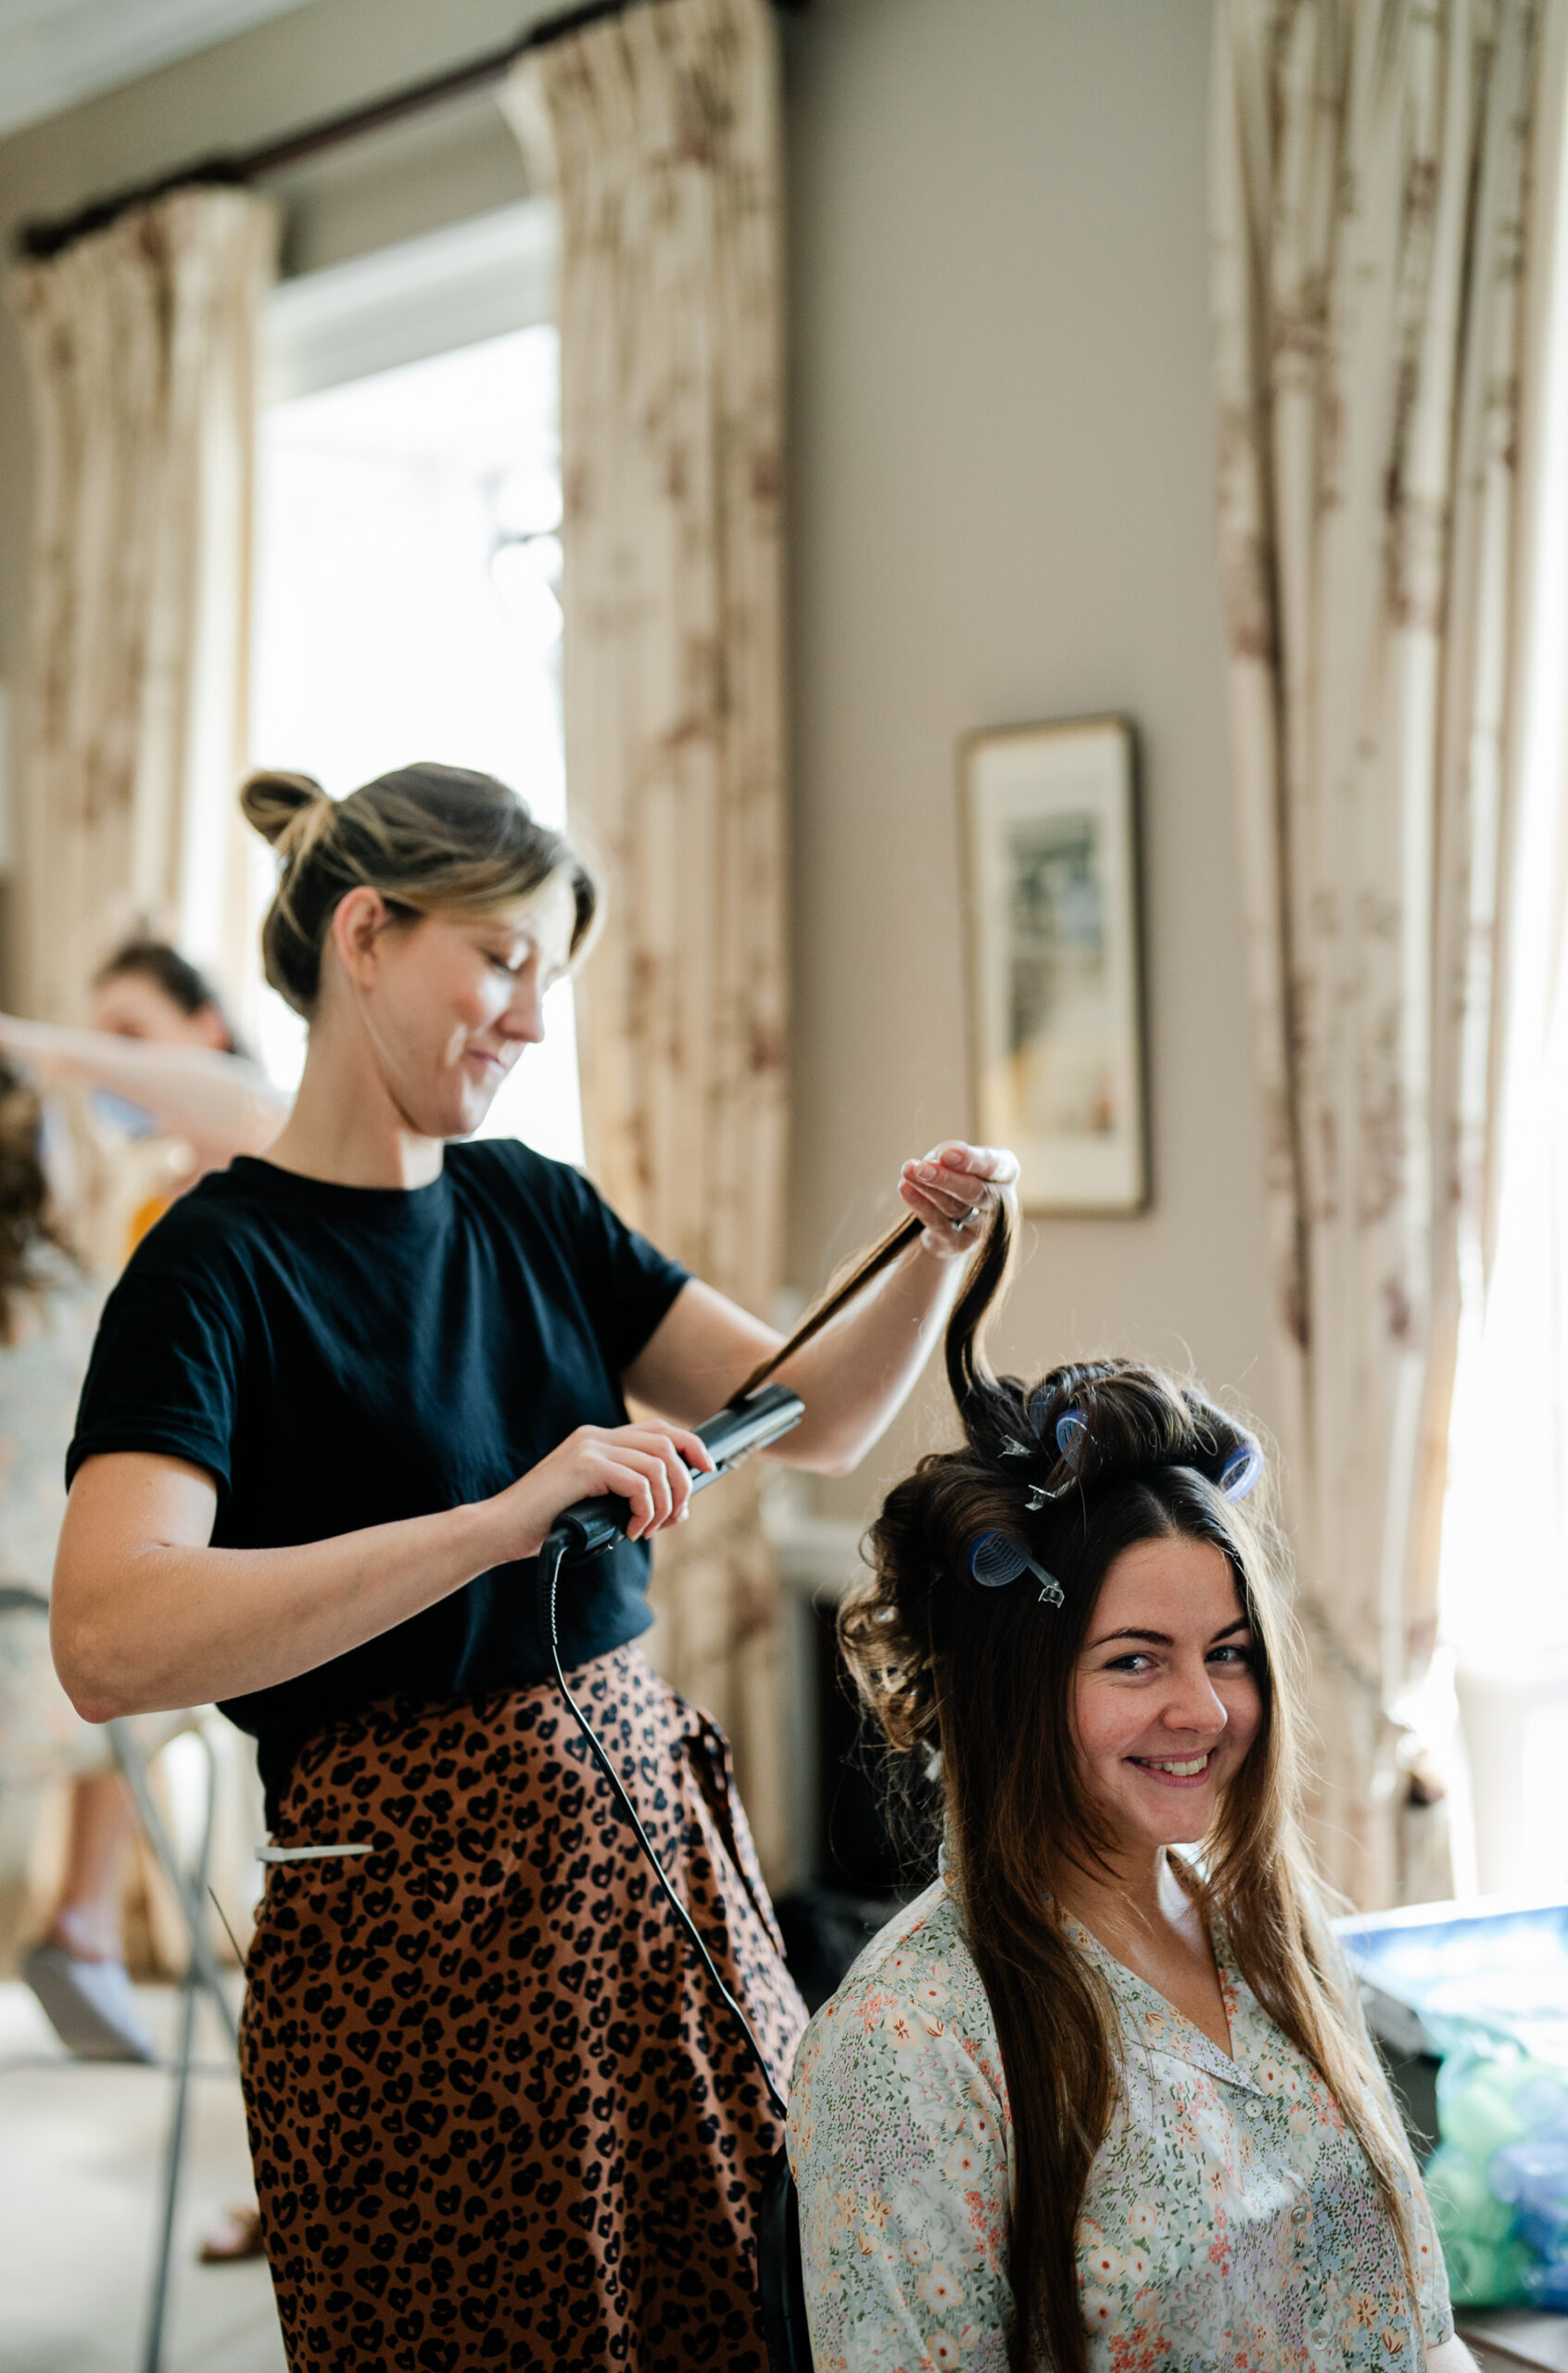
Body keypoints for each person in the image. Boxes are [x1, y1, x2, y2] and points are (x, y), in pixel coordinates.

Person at [49, 758, 1019, 2373]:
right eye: (502, 962)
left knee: (754, 2312)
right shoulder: (214, 1271)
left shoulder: (530, 1208)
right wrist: (502, 1519)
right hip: (411, 1959)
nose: (528, 1019)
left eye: (546, 978)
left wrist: (936, 1252)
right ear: (365, 931)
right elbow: (109, 1637)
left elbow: (822, 1411)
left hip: (653, 1892)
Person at [787, 1205, 1475, 2373]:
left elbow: (1419, 2327)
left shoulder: (1265, 1927)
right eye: (1135, 1659)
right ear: (1020, 1686)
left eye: (1229, 1651)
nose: (1204, 1710)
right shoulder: (911, 2046)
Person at [0, 950, 286, 2069]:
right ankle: (81, 1921)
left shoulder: (215, 1197)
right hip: (69, 1636)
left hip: (65, 1626)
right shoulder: (106, 1256)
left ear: (205, 1025)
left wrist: (40, 1043)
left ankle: (82, 1923)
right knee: (137, 1656)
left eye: (127, 1029)